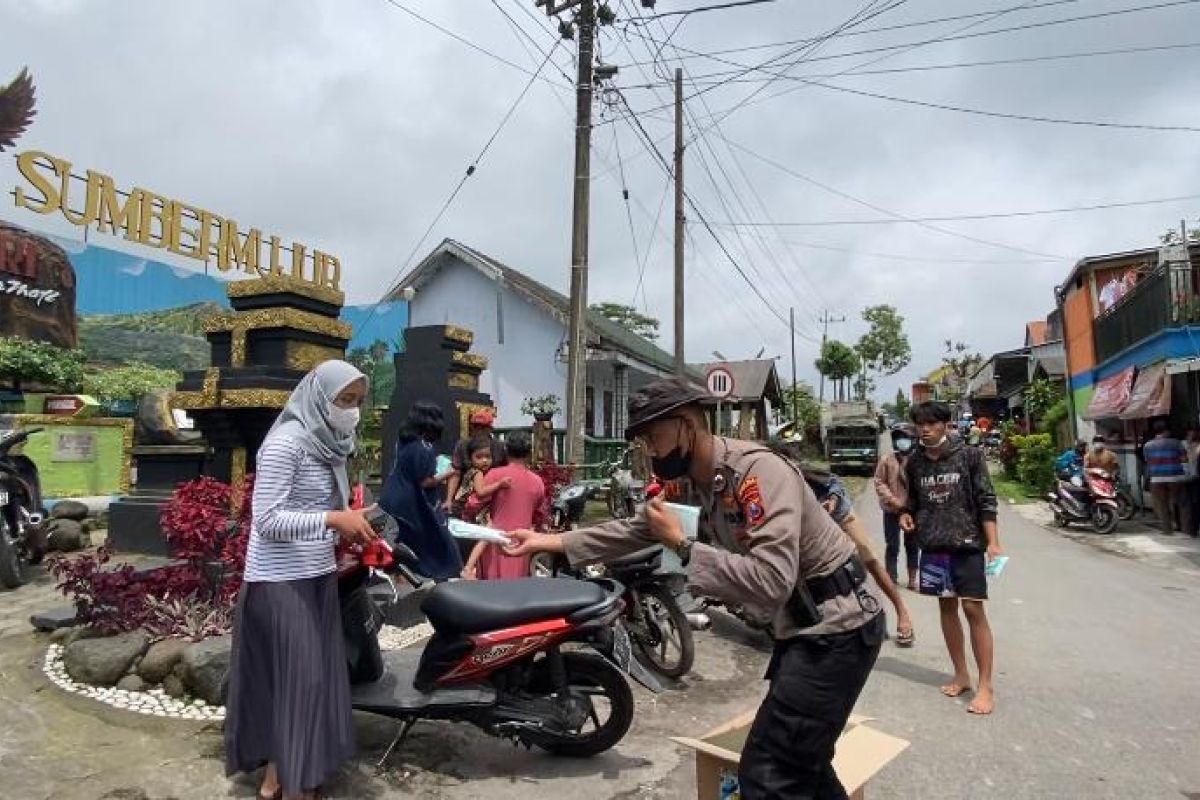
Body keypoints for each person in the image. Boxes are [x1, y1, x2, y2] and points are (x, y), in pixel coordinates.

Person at [507, 377, 884, 798]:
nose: (650, 450)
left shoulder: (756, 473)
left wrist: (683, 546)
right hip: (804, 629)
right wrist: (550, 541)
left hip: (838, 630)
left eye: (654, 437)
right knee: (803, 764)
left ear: (687, 425)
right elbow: (642, 528)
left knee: (769, 772)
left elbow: (772, 579)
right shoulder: (693, 479)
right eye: (644, 442)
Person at [225, 360, 376, 800]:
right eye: (344, 400)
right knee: (303, 682)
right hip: (279, 581)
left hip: (317, 575)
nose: (351, 411)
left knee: (306, 684)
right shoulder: (285, 445)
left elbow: (328, 511)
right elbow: (267, 520)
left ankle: (278, 781)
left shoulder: (331, 442)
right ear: (317, 398)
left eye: (357, 402)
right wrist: (333, 518)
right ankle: (290, 786)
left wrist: (354, 521)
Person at [900, 401, 1002, 716]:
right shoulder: (914, 462)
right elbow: (912, 500)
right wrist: (905, 513)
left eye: (931, 423)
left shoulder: (969, 454)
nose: (925, 429)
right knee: (947, 608)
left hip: (968, 543)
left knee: (973, 608)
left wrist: (993, 542)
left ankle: (985, 686)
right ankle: (961, 674)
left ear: (945, 424)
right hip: (933, 546)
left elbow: (986, 497)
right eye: (920, 424)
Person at [380, 401, 462, 579]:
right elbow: (425, 482)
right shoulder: (424, 448)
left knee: (400, 539)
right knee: (432, 538)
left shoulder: (403, 441)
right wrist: (448, 473)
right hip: (411, 501)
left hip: (392, 496)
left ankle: (399, 575)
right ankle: (440, 572)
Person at [462, 431, 546, 580]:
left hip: (495, 541)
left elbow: (472, 505)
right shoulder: (537, 482)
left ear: (506, 451)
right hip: (521, 544)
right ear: (529, 453)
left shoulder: (495, 475)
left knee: (491, 592)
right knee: (516, 590)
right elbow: (539, 516)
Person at [874, 425, 919, 591]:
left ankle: (913, 578)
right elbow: (879, 482)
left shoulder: (918, 460)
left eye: (906, 437)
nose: (903, 441)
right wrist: (893, 501)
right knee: (892, 545)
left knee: (913, 545)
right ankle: (891, 577)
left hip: (913, 511)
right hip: (891, 511)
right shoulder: (886, 460)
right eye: (900, 438)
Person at [444, 409, 507, 511]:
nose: (479, 430)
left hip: (493, 496)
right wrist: (449, 499)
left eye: (483, 427)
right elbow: (456, 472)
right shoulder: (463, 445)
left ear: (490, 429)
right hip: (467, 497)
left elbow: (506, 470)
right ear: (471, 427)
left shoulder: (499, 446)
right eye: (476, 426)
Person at [450, 433, 511, 523]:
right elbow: (481, 493)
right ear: (470, 459)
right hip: (470, 512)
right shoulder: (477, 473)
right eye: (479, 457)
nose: (484, 460)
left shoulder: (471, 471)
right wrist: (499, 484)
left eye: (488, 457)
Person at [1144, 420, 1188, 536]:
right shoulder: (1176, 443)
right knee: (1179, 503)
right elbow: (1184, 459)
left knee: (1162, 505)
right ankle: (1183, 527)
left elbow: (1148, 462)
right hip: (1176, 478)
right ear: (1167, 430)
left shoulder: (1148, 445)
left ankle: (1167, 530)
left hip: (1157, 479)